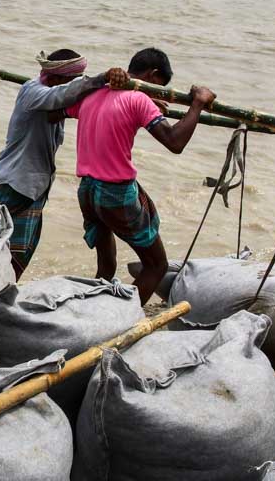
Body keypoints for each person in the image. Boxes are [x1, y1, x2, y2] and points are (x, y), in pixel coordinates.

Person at [66, 47, 216, 304]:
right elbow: (174, 142)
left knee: (106, 267)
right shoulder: (138, 100)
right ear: (152, 74)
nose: (154, 92)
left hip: (88, 192)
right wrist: (198, 104)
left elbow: (65, 111)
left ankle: (91, 312)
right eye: (157, 85)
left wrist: (144, 104)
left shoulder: (93, 95)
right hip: (115, 195)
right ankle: (118, 317)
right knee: (156, 266)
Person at [0, 49, 115, 278]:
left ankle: (0, 296)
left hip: (35, 188)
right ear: (57, 78)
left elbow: (89, 102)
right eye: (73, 80)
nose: (77, 84)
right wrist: (100, 79)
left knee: (18, 255)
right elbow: (62, 95)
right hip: (12, 184)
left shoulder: (55, 99)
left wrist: (137, 99)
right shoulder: (33, 92)